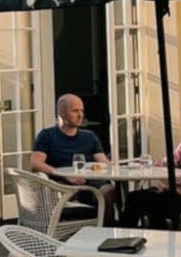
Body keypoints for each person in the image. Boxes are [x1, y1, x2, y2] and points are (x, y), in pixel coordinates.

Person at [31, 93, 117, 225]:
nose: (80, 115)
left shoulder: (89, 136)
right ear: (62, 112)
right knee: (68, 194)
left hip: (90, 184)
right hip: (60, 184)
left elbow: (103, 162)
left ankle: (107, 233)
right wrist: (66, 176)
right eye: (75, 110)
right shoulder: (47, 135)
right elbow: (36, 163)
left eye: (82, 110)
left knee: (109, 190)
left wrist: (112, 167)